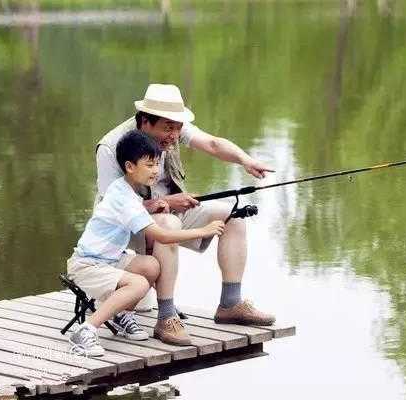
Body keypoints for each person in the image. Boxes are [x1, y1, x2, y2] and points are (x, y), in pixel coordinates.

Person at [95, 83, 275, 327]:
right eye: (168, 128)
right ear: (145, 121)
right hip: (128, 226)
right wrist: (166, 202)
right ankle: (166, 317)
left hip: (170, 212)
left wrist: (245, 160)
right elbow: (112, 210)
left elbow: (212, 143)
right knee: (168, 223)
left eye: (178, 128)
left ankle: (230, 305)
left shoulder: (173, 129)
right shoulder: (111, 146)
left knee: (233, 216)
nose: (174, 135)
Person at [67, 131, 225, 357]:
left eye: (157, 164)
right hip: (87, 266)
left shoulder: (125, 189)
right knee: (139, 284)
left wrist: (151, 207)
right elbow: (162, 236)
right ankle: (86, 330)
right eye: (149, 165)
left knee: (151, 266)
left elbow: (135, 208)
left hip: (109, 259)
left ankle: (121, 315)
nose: (156, 171)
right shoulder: (125, 198)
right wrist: (204, 230)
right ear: (130, 167)